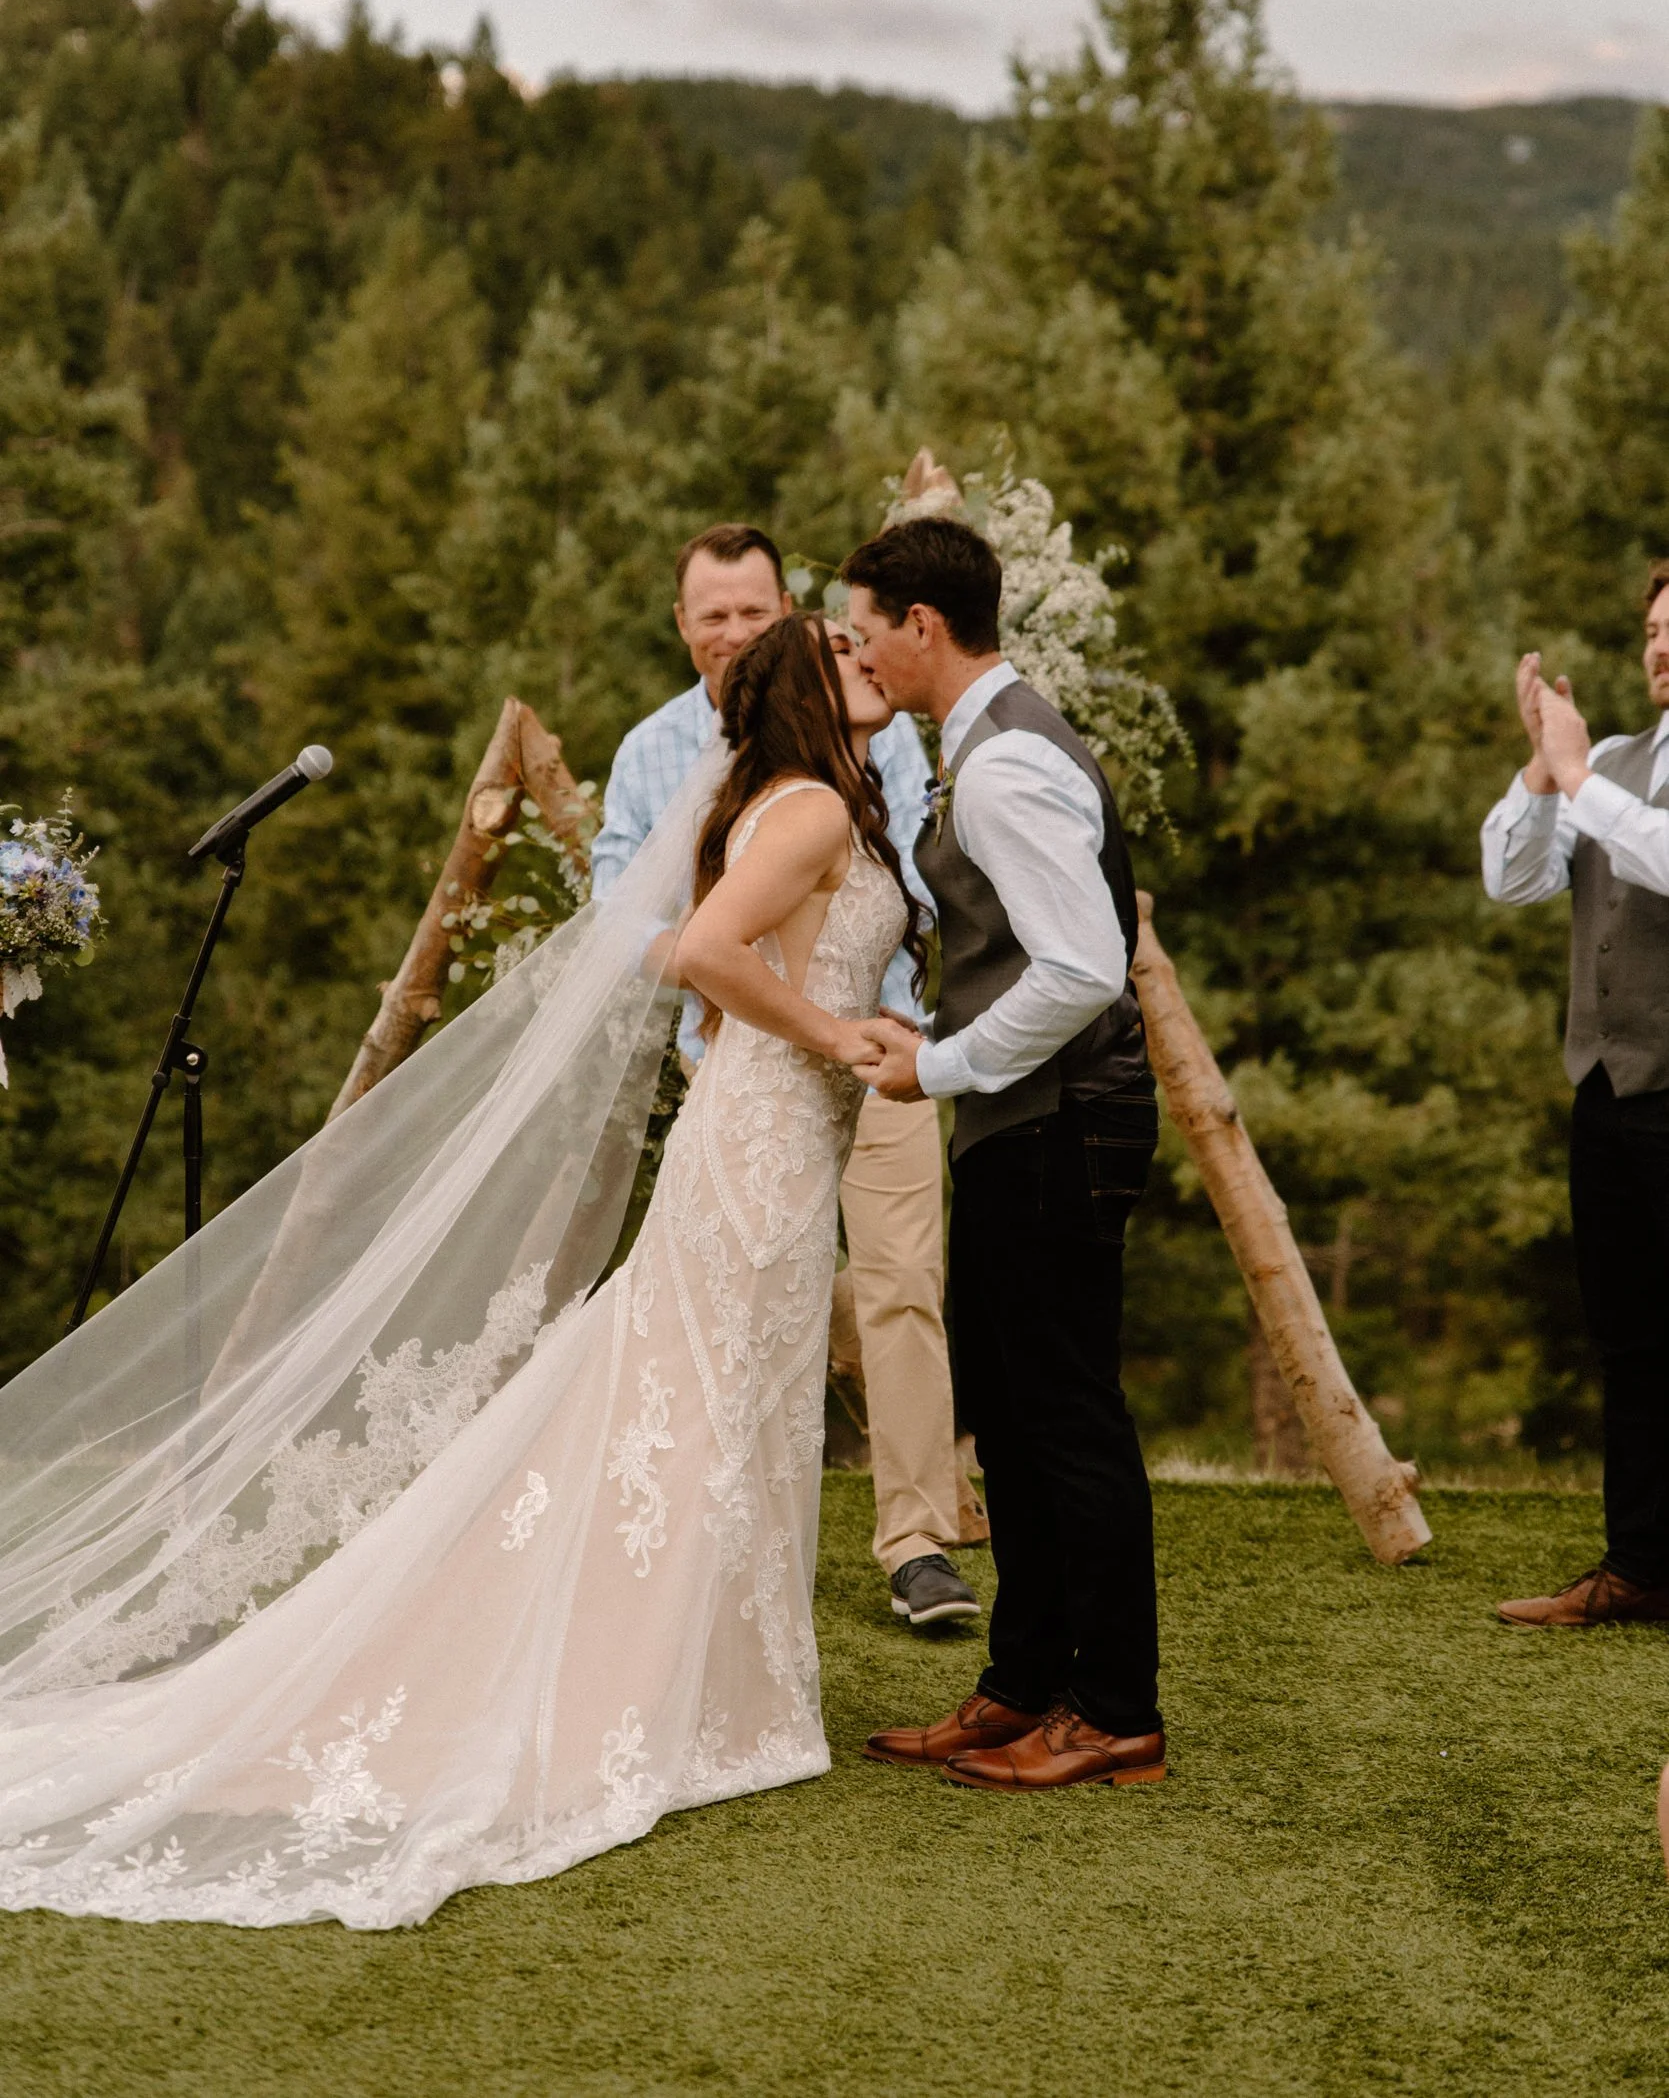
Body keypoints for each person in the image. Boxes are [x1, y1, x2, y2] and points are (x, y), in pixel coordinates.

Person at [0, 614, 911, 1929]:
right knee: (704, 1404)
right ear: (803, 691)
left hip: (775, 1132)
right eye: (841, 648)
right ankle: (670, 1686)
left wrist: (832, 1029)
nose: (867, 655)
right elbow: (707, 951)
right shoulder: (810, 806)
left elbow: (743, 962)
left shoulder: (805, 801)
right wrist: (831, 1034)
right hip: (762, 1144)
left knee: (720, 1403)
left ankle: (721, 1679)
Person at [592, 522, 985, 1628]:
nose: (732, 630)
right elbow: (654, 925)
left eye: (753, 612)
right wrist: (787, 1017)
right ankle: (673, 1595)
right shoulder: (676, 757)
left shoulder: (872, 740)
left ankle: (915, 1539)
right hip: (779, 1077)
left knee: (896, 1285)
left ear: (777, 616)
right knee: (727, 1348)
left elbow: (903, 887)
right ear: (682, 624)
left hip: (880, 1062)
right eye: (711, 613)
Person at [843, 515, 1167, 1795]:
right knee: (1016, 1414)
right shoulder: (988, 745)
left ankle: (1115, 1711)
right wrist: (939, 1044)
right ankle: (1024, 1682)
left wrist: (937, 1067)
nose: (860, 653)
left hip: (1060, 1120)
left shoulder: (1000, 768)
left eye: (865, 631)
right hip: (1023, 1119)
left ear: (922, 625)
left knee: (1067, 1415)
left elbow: (1082, 967)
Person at [1480, 571, 1669, 1629]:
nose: (1658, 649)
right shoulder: (1617, 764)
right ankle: (1638, 1564)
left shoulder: (1609, 779)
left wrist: (1578, 776)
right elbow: (1511, 879)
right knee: (1629, 1338)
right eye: (1650, 631)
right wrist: (1540, 771)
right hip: (1605, 1088)